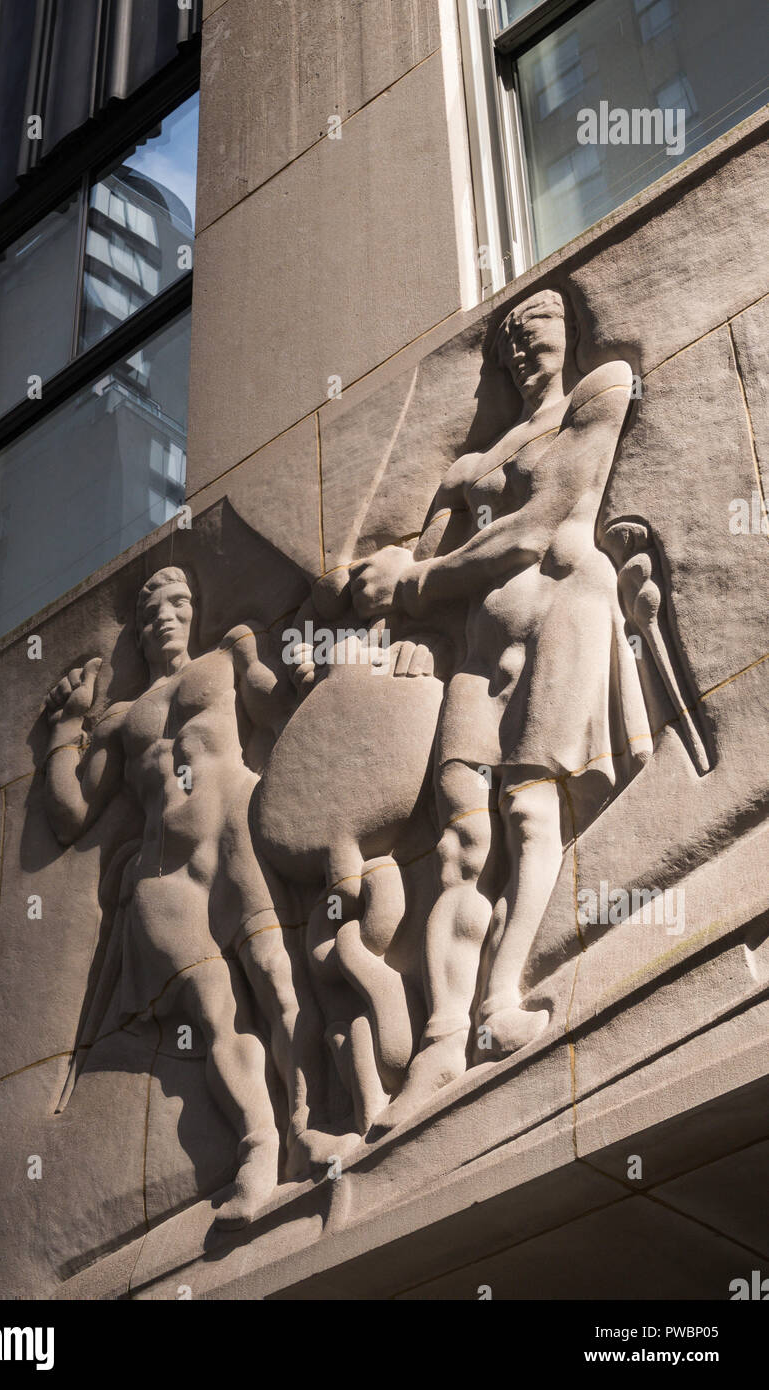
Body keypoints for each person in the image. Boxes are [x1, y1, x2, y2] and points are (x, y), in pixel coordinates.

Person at [351, 290, 652, 1128]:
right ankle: (443, 1039)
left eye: (538, 328)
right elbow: (413, 574)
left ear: (572, 332)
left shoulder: (603, 390)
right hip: (479, 657)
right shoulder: (464, 469)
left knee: (528, 814)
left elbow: (545, 518)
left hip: (564, 614)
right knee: (461, 841)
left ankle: (500, 1000)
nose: (523, 346)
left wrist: (412, 583)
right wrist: (403, 608)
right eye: (509, 338)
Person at [43, 566, 332, 1224]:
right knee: (214, 1015)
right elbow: (71, 814)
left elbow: (277, 707)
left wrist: (305, 670)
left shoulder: (226, 657)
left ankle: (312, 1123)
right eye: (152, 611)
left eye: (178, 603)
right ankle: (260, 1150)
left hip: (234, 836)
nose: (166, 617)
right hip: (161, 876)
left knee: (275, 976)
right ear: (141, 631)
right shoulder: (122, 719)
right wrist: (67, 727)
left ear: (194, 610)